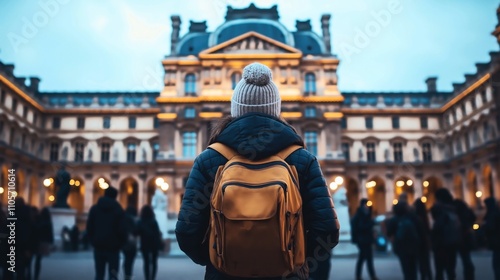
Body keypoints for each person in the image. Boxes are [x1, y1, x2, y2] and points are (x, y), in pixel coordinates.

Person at [175, 62, 340, 280]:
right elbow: (327, 230)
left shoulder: (209, 160)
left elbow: (187, 231)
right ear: (276, 109)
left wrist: (218, 259)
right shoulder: (302, 160)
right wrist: (294, 257)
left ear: (236, 108)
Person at [86, 186, 127, 280]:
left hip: (98, 246)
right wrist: (121, 244)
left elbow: (89, 227)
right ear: (115, 196)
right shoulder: (119, 210)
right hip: (113, 247)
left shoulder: (94, 209)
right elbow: (122, 229)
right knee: (113, 275)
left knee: (99, 274)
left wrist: (93, 241)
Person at [430, 188, 461, 280]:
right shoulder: (454, 208)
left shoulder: (439, 209)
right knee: (451, 269)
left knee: (439, 270)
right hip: (452, 241)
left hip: (441, 243)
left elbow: (437, 224)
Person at [387, 200, 421, 280]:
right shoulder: (412, 217)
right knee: (413, 269)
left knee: (406, 270)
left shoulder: (394, 219)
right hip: (413, 247)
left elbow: (389, 233)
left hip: (401, 248)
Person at [351, 198, 378, 280]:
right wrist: (372, 223)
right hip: (363, 240)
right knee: (367, 258)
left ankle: (359, 276)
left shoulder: (363, 213)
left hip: (363, 240)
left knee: (362, 258)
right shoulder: (362, 214)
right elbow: (361, 227)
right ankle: (372, 276)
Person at [453, 199, 476, 280]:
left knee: (465, 260)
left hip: (462, 239)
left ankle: (468, 276)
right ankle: (469, 276)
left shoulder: (459, 216)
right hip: (466, 239)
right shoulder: (467, 213)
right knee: (466, 259)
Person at [137, 205, 161, 280]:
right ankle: (153, 277)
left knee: (146, 262)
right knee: (154, 262)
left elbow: (136, 232)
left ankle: (147, 278)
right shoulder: (154, 221)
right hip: (154, 244)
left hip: (144, 244)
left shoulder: (140, 221)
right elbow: (157, 233)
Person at [414, 198, 433, 280]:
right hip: (426, 242)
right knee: (427, 264)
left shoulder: (416, 218)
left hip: (419, 243)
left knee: (421, 264)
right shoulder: (426, 217)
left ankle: (424, 277)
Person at [33, 207, 54, 280]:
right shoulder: (48, 222)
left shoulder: (38, 220)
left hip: (36, 241)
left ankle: (30, 274)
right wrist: (51, 242)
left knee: (32, 259)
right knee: (38, 259)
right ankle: (36, 275)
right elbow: (50, 233)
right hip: (43, 242)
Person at [483, 197, 500, 280]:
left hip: (496, 242)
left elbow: (490, 227)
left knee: (496, 264)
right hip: (496, 241)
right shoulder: (496, 212)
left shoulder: (492, 214)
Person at [122, 206, 138, 280]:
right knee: (130, 262)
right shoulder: (133, 220)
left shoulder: (123, 219)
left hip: (125, 243)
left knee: (127, 261)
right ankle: (128, 276)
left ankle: (127, 274)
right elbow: (136, 231)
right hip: (132, 245)